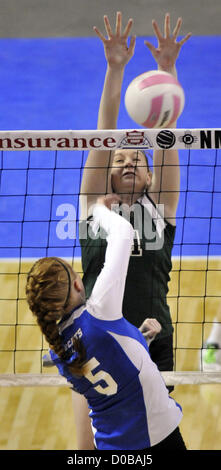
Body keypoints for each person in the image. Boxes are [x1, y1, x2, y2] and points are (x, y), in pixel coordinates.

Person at [26, 194, 186, 451]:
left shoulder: (58, 352)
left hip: (112, 446)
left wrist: (138, 339)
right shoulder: (99, 311)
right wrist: (97, 209)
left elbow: (112, 366)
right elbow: (123, 232)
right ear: (78, 284)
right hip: (156, 436)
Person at [80, 13, 191, 381]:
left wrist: (167, 73)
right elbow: (103, 133)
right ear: (106, 173)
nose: (128, 161)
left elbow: (167, 137)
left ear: (149, 175)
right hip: (102, 341)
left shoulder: (161, 208)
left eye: (137, 159)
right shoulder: (93, 207)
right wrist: (115, 69)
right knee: (103, 435)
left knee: (158, 430)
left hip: (155, 337)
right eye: (119, 158)